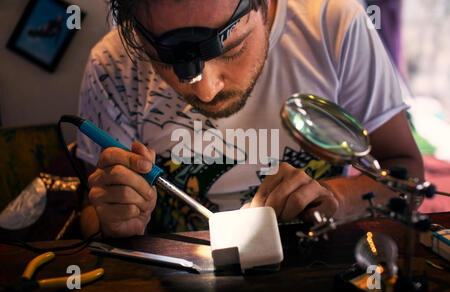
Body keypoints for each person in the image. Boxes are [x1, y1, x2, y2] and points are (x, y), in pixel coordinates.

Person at [77, 0, 423, 238]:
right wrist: (113, 220)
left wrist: (334, 198)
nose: (205, 91)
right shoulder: (112, 66)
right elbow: (90, 215)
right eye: (166, 62)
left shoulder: (332, 25)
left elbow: (407, 173)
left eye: (232, 50)